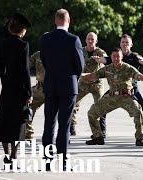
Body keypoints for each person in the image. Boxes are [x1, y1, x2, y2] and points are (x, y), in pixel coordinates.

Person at [39, 9, 85, 171]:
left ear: (55, 20)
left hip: (51, 84)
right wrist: (72, 77)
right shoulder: (74, 40)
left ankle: (47, 161)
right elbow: (80, 66)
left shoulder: (45, 39)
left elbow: (44, 60)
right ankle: (63, 161)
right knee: (64, 124)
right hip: (68, 85)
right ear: (69, 20)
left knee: (49, 123)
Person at [0, 12, 32, 167]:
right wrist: (29, 92)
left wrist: (4, 82)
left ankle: (6, 155)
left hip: (7, 88)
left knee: (4, 121)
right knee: (18, 124)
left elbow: (1, 67)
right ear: (21, 29)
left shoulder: (3, 43)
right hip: (20, 90)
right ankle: (13, 156)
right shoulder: (23, 45)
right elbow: (25, 71)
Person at [83, 48, 143, 146]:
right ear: (111, 57)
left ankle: (139, 138)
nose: (116, 58)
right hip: (111, 97)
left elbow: (137, 75)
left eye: (118, 56)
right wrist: (80, 75)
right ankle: (98, 137)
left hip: (126, 97)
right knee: (92, 113)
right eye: (114, 56)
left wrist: (141, 77)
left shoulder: (127, 67)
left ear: (122, 57)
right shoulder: (107, 68)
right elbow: (94, 75)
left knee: (138, 112)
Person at [95, 34, 143, 138]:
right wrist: (99, 60)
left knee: (142, 108)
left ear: (131, 45)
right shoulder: (116, 56)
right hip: (114, 89)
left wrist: (142, 60)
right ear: (120, 44)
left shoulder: (133, 56)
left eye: (127, 43)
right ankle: (102, 132)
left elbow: (142, 60)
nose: (125, 44)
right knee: (100, 106)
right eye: (123, 42)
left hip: (131, 89)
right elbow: (106, 60)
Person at [70, 32, 107, 136]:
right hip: (84, 82)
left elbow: (106, 59)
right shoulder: (80, 50)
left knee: (101, 105)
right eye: (89, 39)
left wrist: (101, 60)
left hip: (97, 83)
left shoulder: (99, 51)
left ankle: (102, 130)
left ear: (96, 41)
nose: (90, 41)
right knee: (73, 102)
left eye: (93, 39)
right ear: (86, 40)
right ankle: (71, 126)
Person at [25, 51, 45, 139]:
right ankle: (28, 133)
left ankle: (64, 136)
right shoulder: (38, 54)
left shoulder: (60, 53)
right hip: (39, 88)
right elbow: (26, 65)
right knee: (26, 107)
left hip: (55, 89)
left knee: (61, 113)